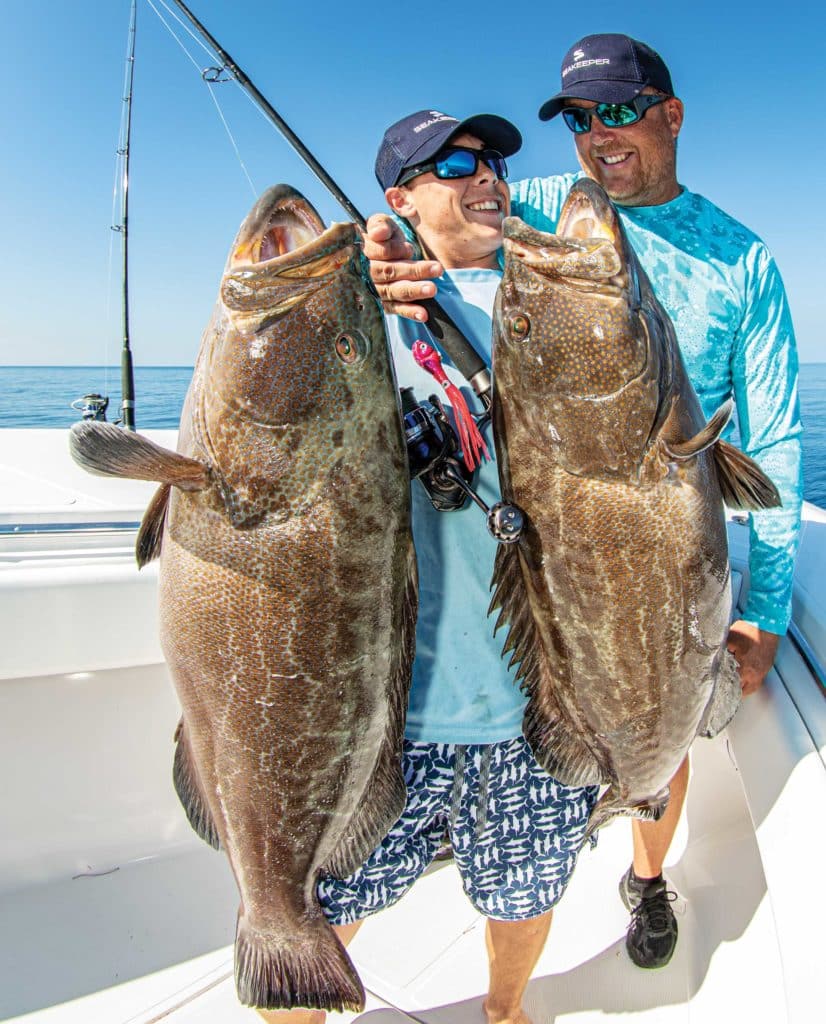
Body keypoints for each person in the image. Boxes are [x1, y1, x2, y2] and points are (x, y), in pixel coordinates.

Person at [363, 34, 803, 973]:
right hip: (562, 522)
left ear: (669, 114)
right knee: (584, 677)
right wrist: (382, 259)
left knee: (665, 702)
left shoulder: (743, 260)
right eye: (576, 121)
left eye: (616, 112)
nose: (597, 139)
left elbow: (772, 440)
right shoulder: (533, 209)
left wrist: (764, 609)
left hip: (675, 524)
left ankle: (646, 872)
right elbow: (432, 216)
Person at [259, 110, 598, 1024]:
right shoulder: (354, 311)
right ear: (399, 199)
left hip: (541, 704)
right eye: (454, 164)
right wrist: (366, 270)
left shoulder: (550, 293)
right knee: (313, 920)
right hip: (387, 718)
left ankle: (505, 1009)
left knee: (527, 894)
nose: (485, 176)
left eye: (492, 162)